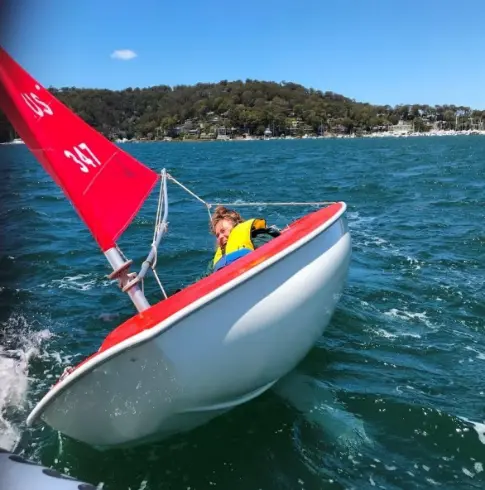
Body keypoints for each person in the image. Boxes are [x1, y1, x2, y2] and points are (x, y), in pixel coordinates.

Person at [209, 205, 280, 273]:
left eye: (223, 231)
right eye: (217, 235)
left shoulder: (255, 238)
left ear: (236, 227)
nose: (220, 237)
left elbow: (274, 247)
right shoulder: (216, 260)